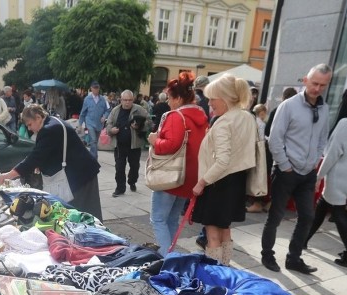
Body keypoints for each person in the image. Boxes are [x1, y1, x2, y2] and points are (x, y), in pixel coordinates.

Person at [261, 64, 333, 274]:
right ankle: (267, 254)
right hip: (286, 171)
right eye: (314, 83)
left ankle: (294, 258)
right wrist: (285, 165)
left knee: (307, 216)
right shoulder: (289, 106)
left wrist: (314, 162)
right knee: (275, 215)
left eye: (323, 85)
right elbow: (274, 139)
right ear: (305, 80)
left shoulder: (324, 108)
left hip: (307, 172)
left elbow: (322, 139)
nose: (317, 88)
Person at [191, 75, 257, 265]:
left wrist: (201, 182)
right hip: (236, 181)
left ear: (226, 97)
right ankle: (226, 268)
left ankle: (214, 276)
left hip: (217, 182)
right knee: (225, 229)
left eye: (213, 98)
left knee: (212, 234)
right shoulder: (247, 117)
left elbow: (222, 161)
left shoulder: (224, 122)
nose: (209, 103)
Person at [0, 104, 102, 220]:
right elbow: (52, 151)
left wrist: (9, 175)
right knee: (81, 211)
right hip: (81, 172)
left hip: (81, 176)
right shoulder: (52, 121)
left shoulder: (48, 129)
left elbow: (34, 157)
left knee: (85, 213)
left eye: (30, 124)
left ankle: (98, 236)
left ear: (38, 117)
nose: (30, 129)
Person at [305, 84, 347, 266]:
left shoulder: (346, 123)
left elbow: (332, 153)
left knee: (338, 212)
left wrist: (318, 176)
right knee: (322, 207)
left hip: (339, 172)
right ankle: (303, 240)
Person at [146, 72, 208, 254]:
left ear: (179, 98)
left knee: (157, 219)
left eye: (171, 98)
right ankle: (170, 252)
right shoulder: (201, 116)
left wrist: (154, 141)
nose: (168, 102)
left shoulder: (176, 116)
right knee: (172, 220)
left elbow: (170, 145)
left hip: (170, 176)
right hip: (189, 176)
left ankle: (168, 258)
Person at [106, 90, 150, 197]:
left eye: (130, 100)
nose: (127, 102)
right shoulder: (115, 110)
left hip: (134, 145)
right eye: (125, 100)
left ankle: (132, 181)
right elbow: (108, 124)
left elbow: (149, 122)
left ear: (133, 100)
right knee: (119, 167)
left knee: (134, 166)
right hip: (120, 144)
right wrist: (111, 130)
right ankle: (120, 188)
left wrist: (140, 126)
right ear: (121, 100)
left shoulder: (139, 109)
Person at [78, 81, 110, 159]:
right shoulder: (87, 99)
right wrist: (80, 124)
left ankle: (91, 155)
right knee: (93, 140)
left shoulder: (103, 99)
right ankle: (94, 158)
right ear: (91, 88)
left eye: (97, 88)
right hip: (90, 122)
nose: (96, 89)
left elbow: (108, 110)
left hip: (99, 124)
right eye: (94, 88)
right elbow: (83, 112)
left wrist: (104, 116)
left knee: (95, 141)